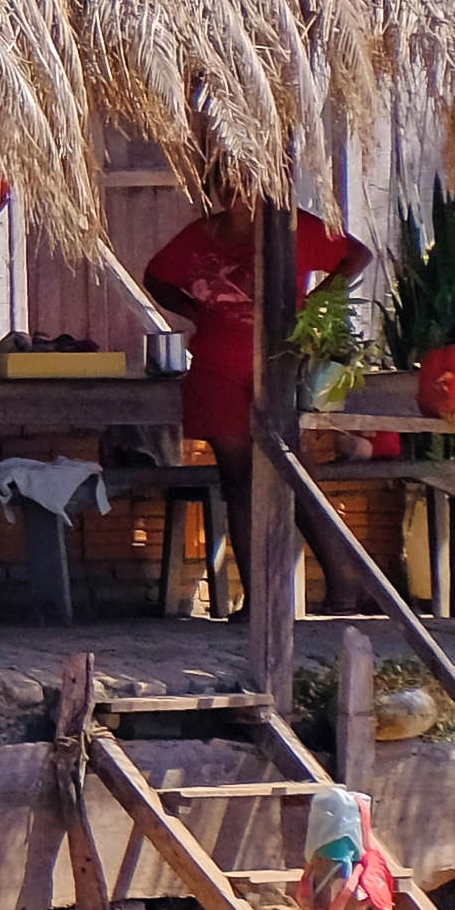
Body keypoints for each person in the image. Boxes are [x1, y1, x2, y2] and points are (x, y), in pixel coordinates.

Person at [137, 198, 364, 612]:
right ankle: (259, 599)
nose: (234, 185)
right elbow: (155, 276)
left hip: (280, 365)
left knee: (294, 469)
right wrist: (193, 311)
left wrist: (316, 302)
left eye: (244, 174)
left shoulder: (294, 226)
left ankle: (344, 582)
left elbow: (356, 255)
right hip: (216, 367)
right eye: (224, 174)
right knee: (237, 478)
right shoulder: (199, 236)